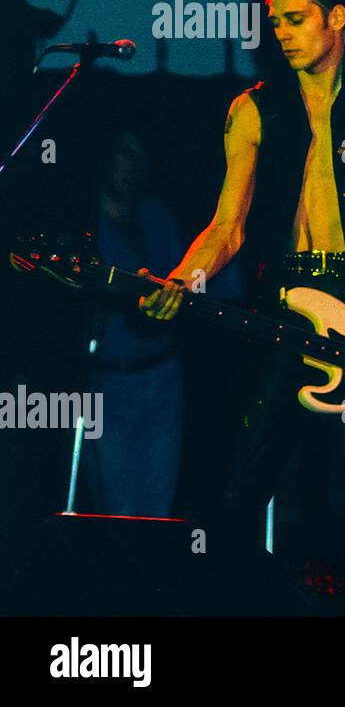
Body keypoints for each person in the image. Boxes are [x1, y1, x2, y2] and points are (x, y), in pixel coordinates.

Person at [139, 0, 345, 614]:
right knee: (235, 493)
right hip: (284, 313)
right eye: (276, 22)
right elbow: (227, 226)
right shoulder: (253, 109)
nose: (283, 33)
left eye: (296, 20)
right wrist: (185, 278)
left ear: (337, 18)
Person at [84, 124, 185, 518]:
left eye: (139, 157)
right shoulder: (86, 226)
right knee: (118, 503)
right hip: (107, 382)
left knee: (159, 505)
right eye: (124, 154)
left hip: (163, 376)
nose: (132, 166)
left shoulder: (158, 218)